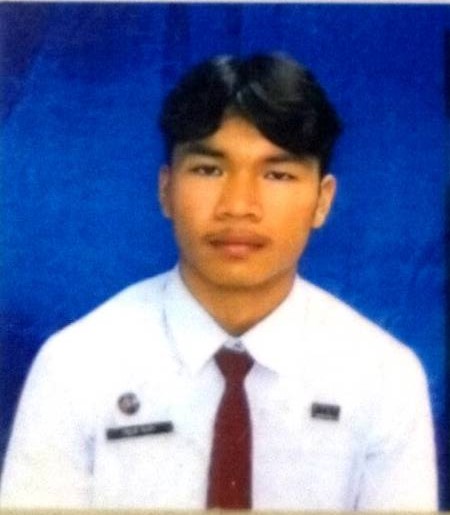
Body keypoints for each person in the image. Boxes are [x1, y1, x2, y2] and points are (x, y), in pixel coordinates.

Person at [0, 53, 437, 510]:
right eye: (209, 170)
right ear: (166, 190)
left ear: (322, 200)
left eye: (277, 174)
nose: (238, 206)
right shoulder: (77, 367)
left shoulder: (383, 377)